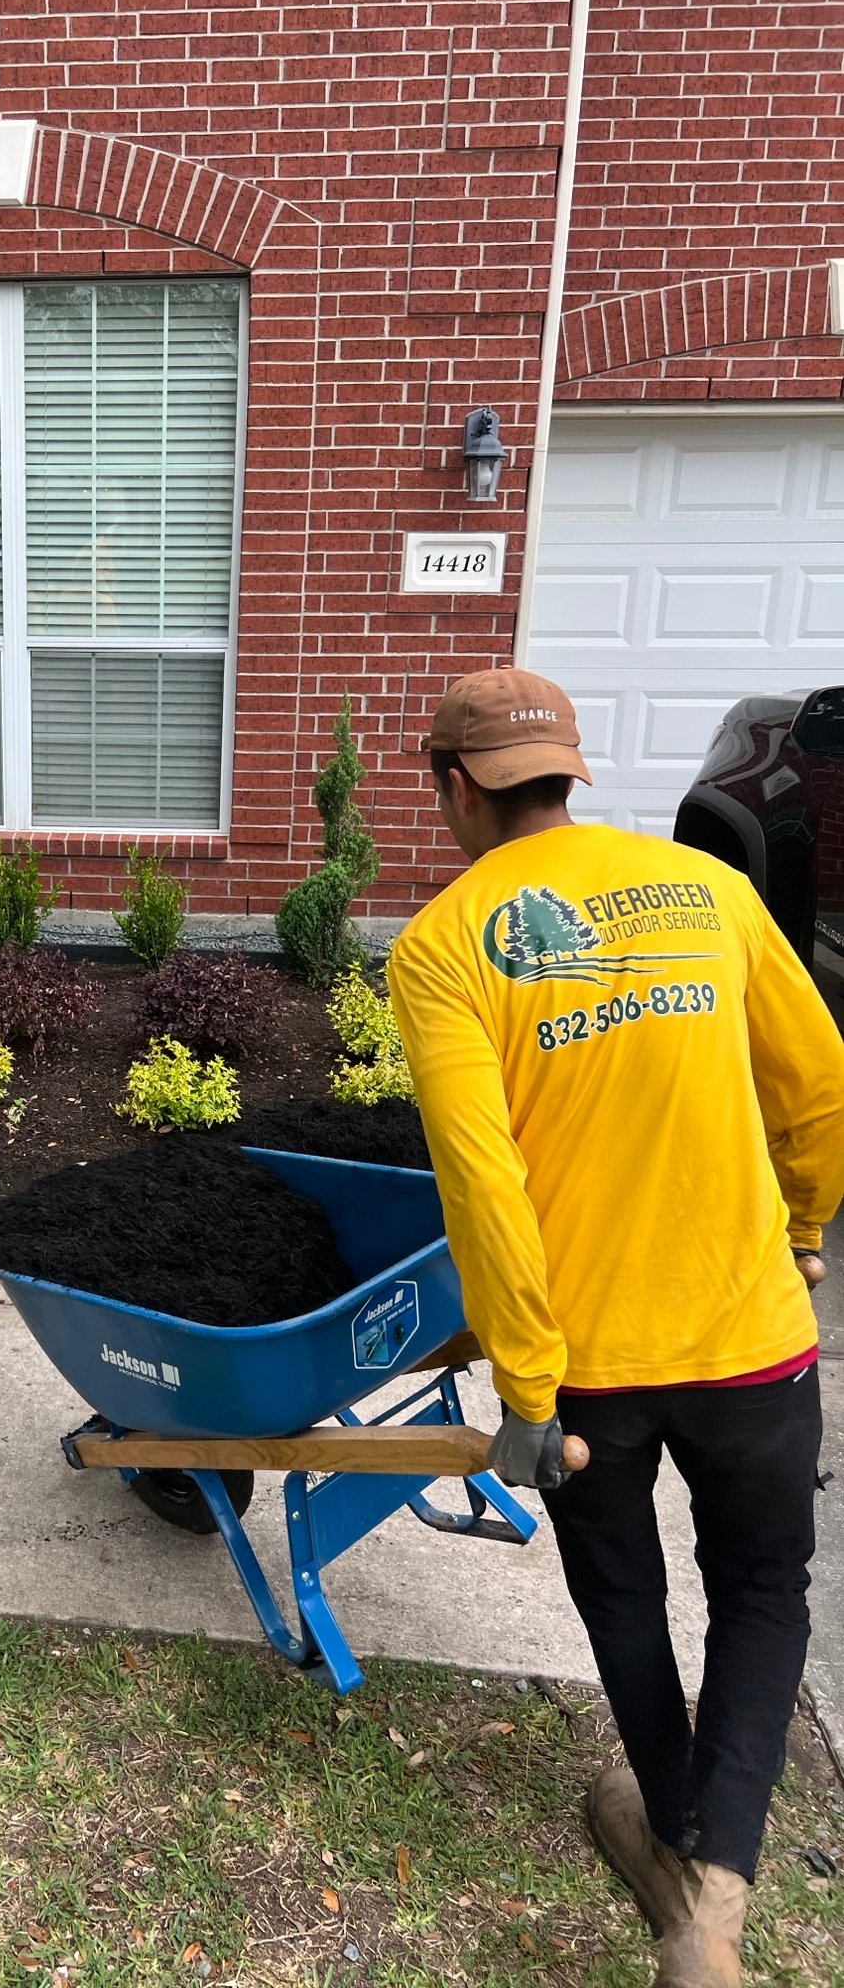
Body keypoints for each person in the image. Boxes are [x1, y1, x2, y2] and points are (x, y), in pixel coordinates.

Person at [387, 668, 844, 1988]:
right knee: (765, 1593)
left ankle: (688, 1868)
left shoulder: (445, 945)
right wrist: (804, 1230)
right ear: (570, 774)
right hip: (754, 1334)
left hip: (593, 1367)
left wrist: (526, 1389)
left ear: (457, 789)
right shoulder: (709, 893)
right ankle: (713, 1894)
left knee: (624, 1591)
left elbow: (487, 1190)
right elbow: (821, 1091)